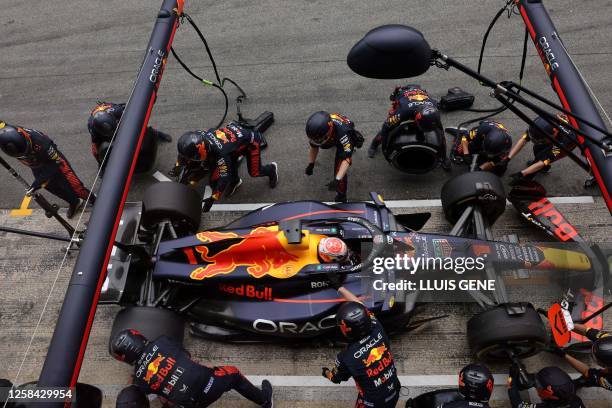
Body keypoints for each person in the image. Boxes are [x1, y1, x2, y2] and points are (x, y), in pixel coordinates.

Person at [109, 329, 273, 407]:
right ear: (138, 336)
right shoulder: (163, 341)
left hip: (192, 405)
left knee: (165, 397)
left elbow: (137, 391)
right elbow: (186, 355)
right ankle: (265, 400)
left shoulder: (139, 380)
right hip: (210, 385)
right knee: (234, 373)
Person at [321, 274, 400, 407]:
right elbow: (360, 306)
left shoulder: (346, 358)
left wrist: (326, 373)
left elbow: (336, 378)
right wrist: (339, 287)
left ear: (348, 331)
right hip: (394, 390)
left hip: (373, 404)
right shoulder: (377, 327)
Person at [176, 122, 278, 211]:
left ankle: (272, 169)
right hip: (232, 144)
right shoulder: (198, 135)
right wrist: (177, 165)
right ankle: (235, 182)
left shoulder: (221, 153)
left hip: (251, 143)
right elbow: (184, 153)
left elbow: (224, 178)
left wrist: (213, 198)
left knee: (254, 172)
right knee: (231, 166)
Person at [0, 121, 93, 218]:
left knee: (76, 188)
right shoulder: (4, 131)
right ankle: (74, 202)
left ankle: (95, 201)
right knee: (52, 188)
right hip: (35, 164)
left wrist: (36, 184)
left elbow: (54, 166)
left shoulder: (42, 143)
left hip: (54, 162)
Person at [368, 84, 448, 166]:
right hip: (403, 97)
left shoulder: (434, 108)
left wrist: (444, 158)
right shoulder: (403, 112)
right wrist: (384, 149)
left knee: (438, 131)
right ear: (417, 119)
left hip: (418, 95)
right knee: (389, 126)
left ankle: (444, 158)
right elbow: (386, 128)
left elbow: (441, 132)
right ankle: (374, 144)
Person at [88, 101, 172, 166]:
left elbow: (135, 118)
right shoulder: (92, 125)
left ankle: (158, 134)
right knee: (95, 151)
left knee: (143, 126)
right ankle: (101, 165)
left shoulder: (119, 111)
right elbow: (94, 143)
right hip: (103, 125)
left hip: (115, 117)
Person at [305, 111, 363, 202]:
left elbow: (346, 160)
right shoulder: (318, 133)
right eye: (314, 139)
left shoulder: (344, 135)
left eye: (319, 139)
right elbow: (314, 147)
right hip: (333, 134)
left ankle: (341, 196)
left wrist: (337, 179)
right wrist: (311, 164)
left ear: (330, 131)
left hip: (344, 133)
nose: (316, 141)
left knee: (339, 171)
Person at [507, 114, 577, 185]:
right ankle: (537, 167)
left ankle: (531, 175)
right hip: (556, 136)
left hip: (566, 145)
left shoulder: (563, 141)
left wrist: (522, 174)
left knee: (542, 156)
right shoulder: (540, 125)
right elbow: (524, 139)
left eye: (542, 140)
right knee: (537, 148)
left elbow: (545, 161)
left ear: (553, 134)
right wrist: (508, 158)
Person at [548, 323, 612, 391]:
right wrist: (565, 324)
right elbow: (587, 331)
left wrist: (564, 355)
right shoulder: (607, 339)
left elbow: (586, 371)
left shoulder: (610, 380)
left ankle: (583, 382)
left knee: (591, 378)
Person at [448, 120, 512, 175]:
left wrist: (481, 168)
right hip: (481, 135)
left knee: (500, 170)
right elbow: (465, 137)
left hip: (495, 146)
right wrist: (466, 154)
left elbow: (500, 160)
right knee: (459, 151)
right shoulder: (481, 131)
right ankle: (461, 132)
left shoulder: (507, 143)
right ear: (484, 137)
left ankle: (483, 157)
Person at [507, 365, 584, 408]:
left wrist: (511, 379)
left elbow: (518, 405)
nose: (537, 387)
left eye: (539, 386)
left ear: (552, 396)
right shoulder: (575, 400)